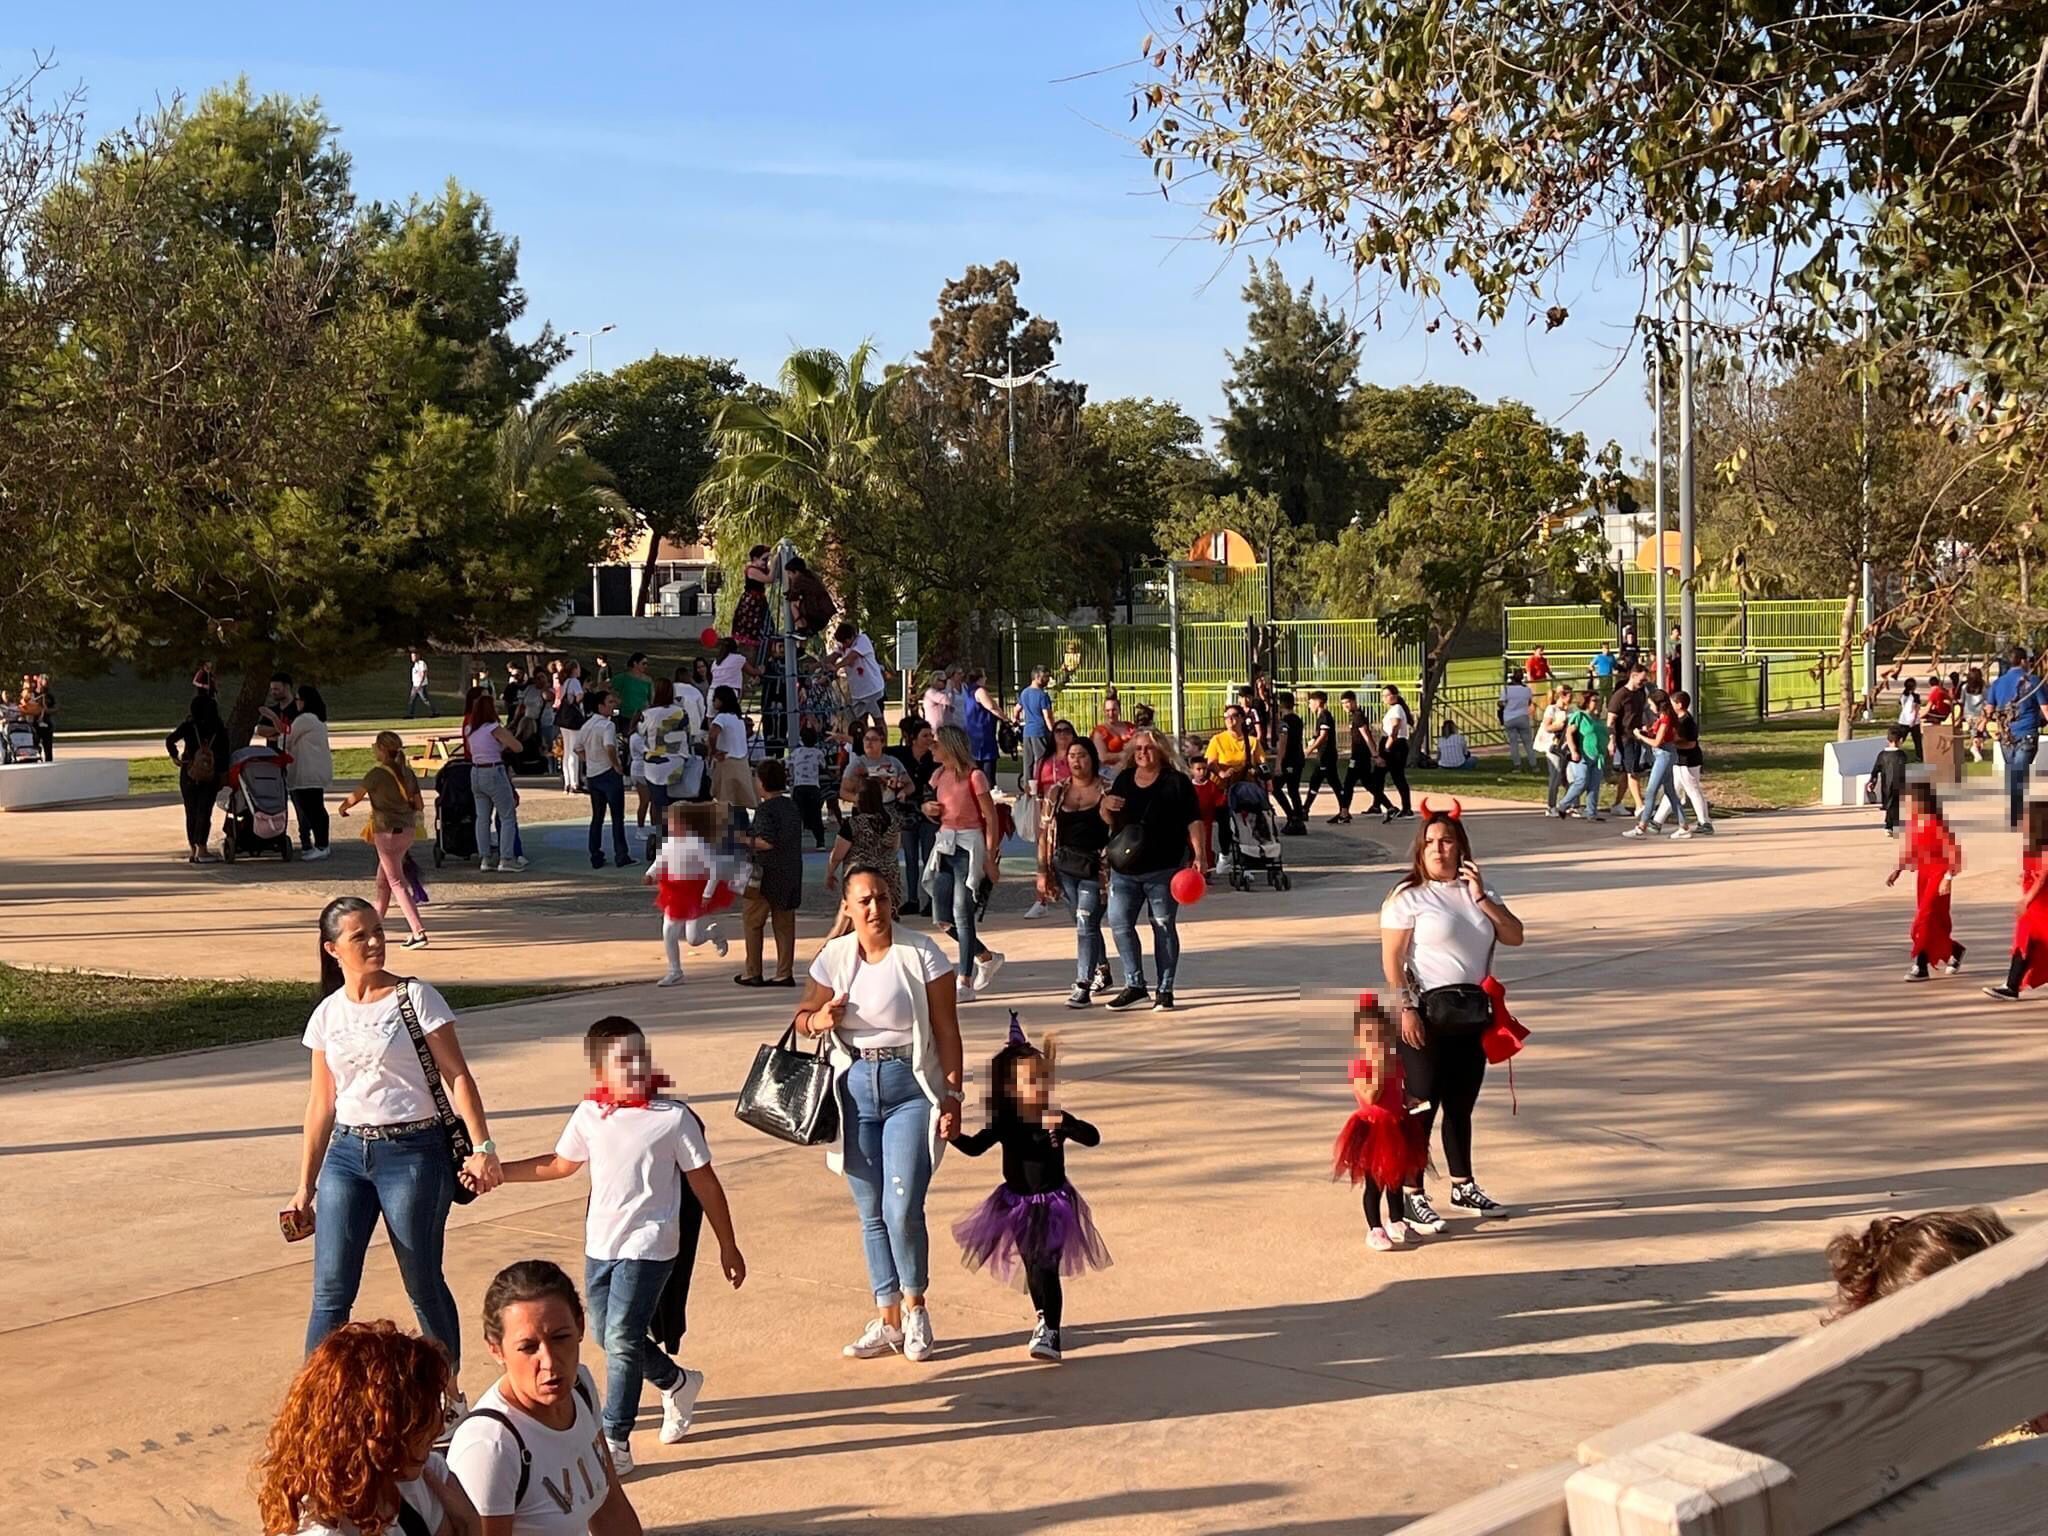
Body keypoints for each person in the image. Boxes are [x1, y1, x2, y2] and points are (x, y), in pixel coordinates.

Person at [499, 1018, 744, 1470]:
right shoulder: (589, 1114)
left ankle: (615, 1440)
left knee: (622, 1337)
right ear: (599, 1070)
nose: (634, 1067)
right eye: (621, 1061)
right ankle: (676, 1382)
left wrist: (728, 1245)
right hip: (601, 1245)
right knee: (605, 1334)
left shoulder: (672, 1118)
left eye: (639, 1056)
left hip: (651, 1245)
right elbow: (559, 1164)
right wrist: (501, 1173)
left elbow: (706, 1183)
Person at [292, 897, 502, 1378]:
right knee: (330, 1291)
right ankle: (314, 1398)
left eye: (378, 932)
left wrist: (483, 1147)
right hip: (346, 1157)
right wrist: (305, 1186)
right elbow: (321, 1104)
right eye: (359, 936)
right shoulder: (327, 1014)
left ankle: (447, 1392)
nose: (374, 942)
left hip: (413, 1155)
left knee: (422, 1282)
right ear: (332, 949)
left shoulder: (415, 997)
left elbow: (458, 1076)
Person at [791, 865, 966, 1365]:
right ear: (847, 907)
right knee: (870, 1211)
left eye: (883, 898)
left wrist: (952, 1097)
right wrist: (819, 1019)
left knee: (902, 1206)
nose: (875, 909)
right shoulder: (834, 957)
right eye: (864, 900)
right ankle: (886, 1316)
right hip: (852, 1092)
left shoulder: (922, 953)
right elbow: (801, 1019)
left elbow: (947, 1030)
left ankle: (915, 1309)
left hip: (910, 1087)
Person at [1380, 807, 1525, 1232]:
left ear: (1461, 846)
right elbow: (1391, 961)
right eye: (1430, 843)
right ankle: (1412, 1194)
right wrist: (1405, 1008)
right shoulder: (1408, 897)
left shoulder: (1480, 890)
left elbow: (1515, 936)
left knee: (1461, 1104)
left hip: (1471, 1013)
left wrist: (1481, 897)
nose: (1438, 850)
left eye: (1446, 841)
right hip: (1425, 1014)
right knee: (1422, 1104)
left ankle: (1463, 1184)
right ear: (1419, 850)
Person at [949, 1013, 1110, 1362]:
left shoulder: (1053, 1117)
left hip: (1053, 1204)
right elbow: (975, 1147)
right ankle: (1041, 1317)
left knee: (1046, 1265)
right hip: (1016, 1204)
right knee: (1032, 1265)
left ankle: (1051, 1331)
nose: (1038, 1087)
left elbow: (1092, 1137)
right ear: (1009, 1088)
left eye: (1042, 1079)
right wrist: (953, 1136)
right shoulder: (1005, 1122)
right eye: (1029, 1082)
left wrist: (1068, 1125)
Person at [445, 1260, 640, 1530]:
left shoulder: (579, 1387)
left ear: (580, 1326)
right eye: (528, 1347)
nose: (549, 1361)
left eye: (560, 1338)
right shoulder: (490, 1448)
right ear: (496, 1349)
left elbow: (610, 1509)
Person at [256, 1320, 479, 1536]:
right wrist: (470, 1526)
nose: (440, 1430)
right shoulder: (320, 1531)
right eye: (422, 1416)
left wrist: (470, 1524)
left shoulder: (420, 1477)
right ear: (375, 1428)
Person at [1101, 727, 1200, 1012]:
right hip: (1125, 868)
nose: (1143, 753)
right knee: (1119, 923)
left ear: (1161, 751)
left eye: (1149, 747)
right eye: (1139, 748)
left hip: (1164, 868)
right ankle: (1135, 985)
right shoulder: (1124, 779)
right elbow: (1109, 819)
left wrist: (1199, 855)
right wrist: (1105, 805)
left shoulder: (1176, 782)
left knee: (1163, 926)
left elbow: (1193, 820)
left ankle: (1165, 990)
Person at [1331, 993, 1428, 1253]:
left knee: (1396, 1180)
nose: (1376, 1042)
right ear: (1359, 1039)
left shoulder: (1395, 1063)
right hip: (1373, 1130)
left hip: (1397, 1126)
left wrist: (1409, 1099)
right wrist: (1380, 1069)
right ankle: (1374, 1228)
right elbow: (1371, 1096)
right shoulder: (1360, 1066)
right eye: (1369, 1036)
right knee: (1375, 1183)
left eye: (1381, 1035)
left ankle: (1397, 1221)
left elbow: (1399, 1090)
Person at [924, 724, 1005, 1000]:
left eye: (936, 743)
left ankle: (965, 980)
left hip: (968, 845)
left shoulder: (975, 776)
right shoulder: (938, 775)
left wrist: (990, 857)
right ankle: (985, 956)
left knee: (962, 912)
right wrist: (927, 809)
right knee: (942, 918)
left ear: (950, 746)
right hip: (945, 844)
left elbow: (990, 817)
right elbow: (930, 805)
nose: (932, 747)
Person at [1038, 736, 1111, 1009]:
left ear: (1092, 758)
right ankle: (1102, 968)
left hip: (1096, 867)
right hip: (1065, 866)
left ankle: (1082, 984)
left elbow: (1120, 827)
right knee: (1085, 924)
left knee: (1085, 921)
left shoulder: (1107, 789)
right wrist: (1042, 871)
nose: (1077, 761)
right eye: (1072, 756)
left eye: (1082, 755)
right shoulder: (1057, 792)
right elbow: (1044, 832)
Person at [336, 734, 430, 947]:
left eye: (375, 747)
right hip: (407, 831)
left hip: (387, 833)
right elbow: (419, 804)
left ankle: (418, 931)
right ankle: (375, 926)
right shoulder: (407, 772)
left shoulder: (376, 774)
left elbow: (355, 796)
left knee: (396, 882)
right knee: (383, 882)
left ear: (381, 749)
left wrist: (342, 808)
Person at [646, 802, 735, 985]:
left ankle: (713, 934)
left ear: (686, 823)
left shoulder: (698, 844)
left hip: (695, 893)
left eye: (674, 822)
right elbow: (660, 861)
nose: (670, 825)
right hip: (674, 892)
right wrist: (650, 874)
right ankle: (675, 971)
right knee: (669, 931)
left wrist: (708, 893)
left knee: (694, 939)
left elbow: (715, 870)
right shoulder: (670, 842)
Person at [1887, 781, 1964, 983]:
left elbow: (1954, 852)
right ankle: (1954, 950)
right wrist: (1898, 869)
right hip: (1923, 874)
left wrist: (1948, 878)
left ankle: (1921, 965)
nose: (1907, 804)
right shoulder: (1914, 822)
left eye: (1911, 800)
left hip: (1939, 874)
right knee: (1931, 921)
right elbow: (1911, 848)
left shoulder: (1937, 823)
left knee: (1923, 919)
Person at [735, 758, 803, 986]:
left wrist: (743, 839)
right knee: (785, 925)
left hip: (765, 874)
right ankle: (784, 971)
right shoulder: (791, 806)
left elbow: (766, 842)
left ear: (763, 782)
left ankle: (753, 970)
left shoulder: (765, 809)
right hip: (790, 870)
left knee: (753, 922)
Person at [1985, 799, 2048, 1002]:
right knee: (2025, 942)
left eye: (2027, 818)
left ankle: (2011, 986)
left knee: (2029, 942)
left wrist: (2027, 899)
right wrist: (2024, 878)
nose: (2022, 822)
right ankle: (2011, 986)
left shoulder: (2045, 848)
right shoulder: (2032, 847)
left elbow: (2043, 876)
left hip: (2040, 906)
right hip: (2033, 906)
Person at [826, 774, 903, 933]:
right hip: (889, 873)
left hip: (861, 876)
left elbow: (838, 854)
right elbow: (895, 846)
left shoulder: (853, 824)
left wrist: (830, 872)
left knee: (859, 919)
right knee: (888, 917)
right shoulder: (892, 820)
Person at [463, 693, 528, 874]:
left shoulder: (470, 729)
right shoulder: (494, 728)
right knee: (507, 816)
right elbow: (518, 747)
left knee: (482, 817)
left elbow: (470, 749)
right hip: (494, 770)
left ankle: (485, 857)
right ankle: (506, 858)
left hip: (476, 771)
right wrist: (502, 744)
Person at [166, 692, 232, 863]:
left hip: (189, 771)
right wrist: (223, 775)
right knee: (204, 811)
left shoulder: (189, 726)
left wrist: (175, 757)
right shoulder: (219, 728)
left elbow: (170, 740)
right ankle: (202, 848)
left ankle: (193, 849)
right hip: (211, 774)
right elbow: (225, 754)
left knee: (191, 811)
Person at [1985, 646, 2041, 828]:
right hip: (2027, 733)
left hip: (2006, 736)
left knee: (2014, 773)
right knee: (2018, 774)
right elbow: (2046, 709)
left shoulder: (1997, 683)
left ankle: (2015, 814)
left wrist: (1982, 726)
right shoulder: (2033, 681)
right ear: (2023, 661)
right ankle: (2017, 814)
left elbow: (1989, 710)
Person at [891, 716, 942, 917]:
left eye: (931, 735)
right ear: (913, 738)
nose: (929, 739)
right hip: (908, 813)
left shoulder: (934, 759)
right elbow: (879, 752)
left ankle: (932, 899)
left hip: (929, 813)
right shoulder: (902, 755)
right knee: (910, 857)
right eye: (925, 735)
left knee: (929, 856)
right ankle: (912, 899)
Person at [581, 690, 635, 869]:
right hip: (608, 773)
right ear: (601, 706)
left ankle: (595, 854)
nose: (614, 705)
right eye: (610, 702)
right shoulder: (607, 725)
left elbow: (577, 747)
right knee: (617, 816)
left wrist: (590, 760)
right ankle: (621, 854)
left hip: (593, 773)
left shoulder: (587, 725)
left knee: (597, 816)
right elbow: (610, 747)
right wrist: (616, 765)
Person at [1622, 689, 1684, 838]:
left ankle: (1641, 826)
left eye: (1651, 704)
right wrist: (1646, 732)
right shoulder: (1662, 717)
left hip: (1664, 756)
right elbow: (1657, 735)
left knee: (1651, 791)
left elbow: (1657, 742)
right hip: (1662, 755)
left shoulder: (1666, 718)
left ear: (1658, 704)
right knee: (1670, 792)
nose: (1650, 708)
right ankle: (1684, 826)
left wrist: (1640, 736)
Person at [1656, 689, 1714, 836]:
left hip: (1686, 762)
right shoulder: (1678, 720)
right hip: (1680, 761)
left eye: (1672, 703)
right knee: (1672, 791)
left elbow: (1690, 744)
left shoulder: (1686, 722)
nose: (1669, 706)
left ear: (1679, 705)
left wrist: (1672, 745)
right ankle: (1657, 821)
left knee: (1692, 790)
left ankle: (1704, 822)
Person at [286, 685, 334, 861]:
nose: (296, 703)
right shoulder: (317, 719)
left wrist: (276, 725)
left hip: (307, 771)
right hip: (316, 770)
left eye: (298, 699)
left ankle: (321, 844)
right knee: (316, 808)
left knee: (312, 809)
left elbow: (287, 738)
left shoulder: (305, 719)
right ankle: (322, 843)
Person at [706, 685, 758, 828]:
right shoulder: (738, 719)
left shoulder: (721, 717)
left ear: (721, 700)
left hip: (727, 761)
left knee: (726, 799)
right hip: (742, 762)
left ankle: (729, 830)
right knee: (740, 800)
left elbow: (713, 734)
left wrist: (714, 750)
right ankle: (744, 828)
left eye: (715, 699)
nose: (713, 702)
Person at [1555, 688, 1608, 819]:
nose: (1598, 703)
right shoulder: (1580, 716)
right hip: (1583, 755)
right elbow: (1569, 733)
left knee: (1594, 785)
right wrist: (1573, 751)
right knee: (1581, 781)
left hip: (1598, 756)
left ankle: (1591, 813)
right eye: (1594, 700)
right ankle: (1563, 804)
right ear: (1586, 702)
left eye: (1599, 701)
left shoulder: (1598, 720)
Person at [1605, 664, 1650, 816]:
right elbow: (1610, 721)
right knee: (1633, 772)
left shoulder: (1640, 694)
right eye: (1642, 680)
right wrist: (1611, 740)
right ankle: (1639, 806)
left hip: (1636, 736)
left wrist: (1644, 727)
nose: (1643, 683)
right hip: (1624, 738)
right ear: (1633, 675)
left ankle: (1617, 804)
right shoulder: (1620, 695)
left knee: (1626, 772)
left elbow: (1639, 715)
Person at [1342, 689, 1393, 821]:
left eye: (1348, 702)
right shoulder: (1354, 716)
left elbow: (1367, 736)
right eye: (1343, 703)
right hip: (1358, 755)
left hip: (1360, 756)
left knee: (1348, 784)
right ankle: (1390, 807)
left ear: (1354, 701)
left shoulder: (1358, 716)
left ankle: (1344, 814)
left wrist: (1375, 755)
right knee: (1368, 783)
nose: (1345, 705)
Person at [828, 622, 888, 726]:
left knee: (878, 720)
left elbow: (851, 657)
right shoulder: (842, 645)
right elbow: (833, 656)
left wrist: (836, 667)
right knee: (860, 723)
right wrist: (817, 665)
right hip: (857, 694)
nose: (844, 645)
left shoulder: (862, 640)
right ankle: (864, 737)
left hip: (873, 691)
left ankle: (882, 737)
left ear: (851, 637)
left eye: (845, 642)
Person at [1016, 664, 1056, 798]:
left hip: (1027, 732)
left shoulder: (1024, 693)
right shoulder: (1042, 696)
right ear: (1037, 677)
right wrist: (1054, 731)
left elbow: (1017, 709)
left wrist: (1016, 720)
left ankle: (1028, 789)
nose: (1047, 680)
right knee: (1041, 761)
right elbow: (1047, 716)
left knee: (1028, 762)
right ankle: (1040, 787)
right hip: (1040, 731)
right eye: (1046, 677)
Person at [1303, 689, 1344, 821]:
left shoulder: (1325, 716)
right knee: (1330, 782)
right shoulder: (1321, 716)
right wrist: (1313, 741)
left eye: (1310, 702)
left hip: (1327, 755)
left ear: (1318, 702)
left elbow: (1323, 736)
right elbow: (1318, 735)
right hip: (1324, 755)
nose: (1309, 705)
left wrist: (1310, 750)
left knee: (1319, 781)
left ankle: (1305, 809)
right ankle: (1344, 811)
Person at [1535, 683, 1575, 816]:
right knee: (1556, 775)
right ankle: (1551, 806)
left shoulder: (1571, 710)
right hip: (1553, 747)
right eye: (1568, 695)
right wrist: (1560, 725)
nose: (1570, 698)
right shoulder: (1552, 709)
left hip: (1566, 747)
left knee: (1568, 776)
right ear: (1561, 696)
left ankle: (1570, 804)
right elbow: (1547, 727)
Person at [1272, 690, 1308, 832]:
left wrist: (1278, 763)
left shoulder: (1285, 722)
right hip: (1298, 759)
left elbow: (1283, 742)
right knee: (1293, 790)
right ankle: (1297, 819)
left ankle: (1292, 816)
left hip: (1289, 760)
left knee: (1275, 787)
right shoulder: (1297, 719)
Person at [789, 725, 829, 849]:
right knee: (816, 815)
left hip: (799, 787)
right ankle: (820, 842)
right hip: (813, 787)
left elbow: (787, 763)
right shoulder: (818, 753)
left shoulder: (796, 752)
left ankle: (794, 843)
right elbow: (823, 766)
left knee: (797, 816)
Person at [1379, 685, 1415, 820]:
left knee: (1397, 776)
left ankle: (1406, 808)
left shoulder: (1397, 709)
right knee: (1379, 776)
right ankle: (1378, 805)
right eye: (1383, 696)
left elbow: (1395, 727)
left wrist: (1388, 745)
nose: (1384, 698)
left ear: (1395, 695)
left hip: (1396, 745)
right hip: (1391, 743)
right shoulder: (1393, 709)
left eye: (1387, 695)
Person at [960, 668, 1001, 783]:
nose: (986, 679)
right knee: (987, 758)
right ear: (979, 678)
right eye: (984, 676)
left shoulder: (967, 691)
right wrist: (1005, 718)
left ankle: (976, 783)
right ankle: (988, 783)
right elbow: (991, 706)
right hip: (982, 729)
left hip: (972, 729)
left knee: (975, 759)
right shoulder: (979, 691)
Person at [1867, 726, 1909, 836]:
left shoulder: (1882, 755)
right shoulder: (1901, 755)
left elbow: (1876, 769)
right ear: (1901, 740)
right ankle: (1889, 826)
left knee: (1890, 805)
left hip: (1886, 785)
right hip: (1899, 785)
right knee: (1895, 805)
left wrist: (1872, 781)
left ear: (1887, 740)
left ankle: (1892, 825)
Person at [783, 554, 837, 637]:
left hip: (816, 614)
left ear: (796, 572)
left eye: (789, 573)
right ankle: (805, 633)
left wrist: (787, 595)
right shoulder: (810, 577)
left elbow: (793, 596)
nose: (789, 576)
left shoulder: (799, 580)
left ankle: (801, 629)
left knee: (793, 604)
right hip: (824, 614)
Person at [557, 660, 588, 795]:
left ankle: (567, 782)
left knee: (567, 751)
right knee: (574, 751)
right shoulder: (575, 681)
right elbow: (578, 697)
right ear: (575, 669)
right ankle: (575, 783)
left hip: (563, 719)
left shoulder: (565, 682)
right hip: (573, 720)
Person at [1499, 670, 1535, 770]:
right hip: (1523, 716)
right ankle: (1533, 764)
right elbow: (1529, 702)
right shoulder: (1526, 689)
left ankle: (1517, 765)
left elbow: (1501, 703)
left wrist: (1507, 705)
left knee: (1513, 743)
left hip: (1509, 717)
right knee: (1528, 743)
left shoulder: (1507, 689)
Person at [1091, 692, 1133, 776]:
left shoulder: (1130, 727)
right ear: (1104, 712)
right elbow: (1103, 757)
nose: (1111, 714)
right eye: (1108, 711)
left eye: (1114, 710)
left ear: (1119, 710)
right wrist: (1123, 755)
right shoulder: (1099, 731)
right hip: (1109, 771)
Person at [1898, 676, 1924, 761]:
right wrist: (1914, 720)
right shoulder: (1915, 696)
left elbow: (1901, 705)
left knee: (1901, 739)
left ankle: (1897, 752)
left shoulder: (1902, 696)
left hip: (1903, 720)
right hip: (1914, 721)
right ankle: (1919, 756)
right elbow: (1916, 709)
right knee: (1917, 740)